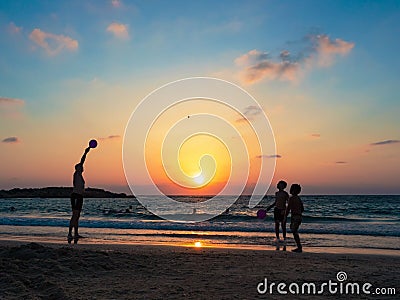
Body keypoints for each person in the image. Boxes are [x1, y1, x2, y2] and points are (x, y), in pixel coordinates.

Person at [68, 146, 91, 244]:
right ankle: (69, 233)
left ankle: (76, 233)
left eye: (81, 167)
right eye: (80, 167)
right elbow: (82, 161)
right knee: (74, 215)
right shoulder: (76, 174)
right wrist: (86, 152)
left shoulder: (80, 176)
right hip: (76, 196)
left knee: (77, 216)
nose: (82, 167)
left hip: (79, 196)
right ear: (77, 168)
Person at [267, 180, 289, 249]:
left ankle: (284, 238)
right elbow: (276, 202)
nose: (280, 186)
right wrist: (270, 207)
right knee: (277, 224)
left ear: (284, 186)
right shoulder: (276, 193)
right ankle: (278, 238)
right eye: (280, 184)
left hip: (282, 210)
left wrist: (285, 211)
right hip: (276, 210)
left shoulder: (285, 194)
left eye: (282, 185)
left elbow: (288, 203)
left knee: (283, 225)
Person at [285, 184, 304, 253]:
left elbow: (288, 208)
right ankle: (299, 247)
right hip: (299, 216)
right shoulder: (298, 198)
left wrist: (285, 217)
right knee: (294, 230)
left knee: (294, 231)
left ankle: (299, 247)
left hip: (295, 216)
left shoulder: (291, 198)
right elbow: (302, 209)